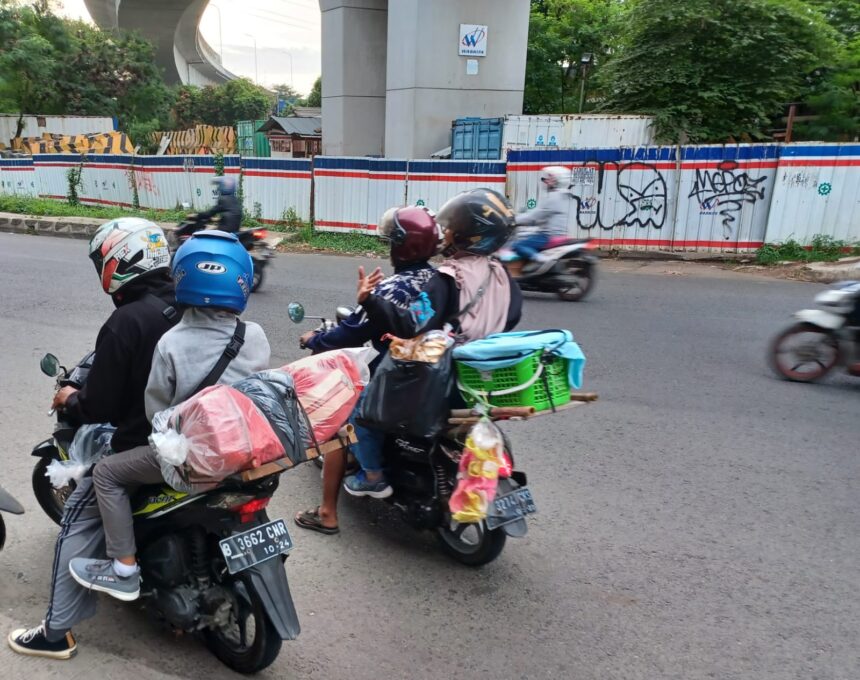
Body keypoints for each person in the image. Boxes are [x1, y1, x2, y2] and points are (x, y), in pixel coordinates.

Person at [65, 231, 270, 602]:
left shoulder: (172, 342)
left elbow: (156, 412)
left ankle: (124, 568)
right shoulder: (253, 334)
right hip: (244, 443)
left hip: (192, 455)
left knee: (108, 474)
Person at [8, 217, 179, 660]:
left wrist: (69, 399)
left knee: (77, 522)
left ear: (121, 263)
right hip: (197, 437)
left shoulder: (127, 320)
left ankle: (55, 632)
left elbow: (98, 405)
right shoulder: (189, 304)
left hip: (143, 445)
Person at [345, 188, 522, 489]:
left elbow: (409, 323)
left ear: (469, 235)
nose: (446, 231)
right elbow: (511, 318)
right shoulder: (504, 277)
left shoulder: (448, 278)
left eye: (453, 226)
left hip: (443, 378)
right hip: (482, 376)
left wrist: (369, 300)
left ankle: (372, 476)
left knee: (360, 410)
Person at [294, 206, 440, 534]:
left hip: (398, 376)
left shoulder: (393, 288)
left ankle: (330, 511)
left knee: (338, 426)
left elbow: (351, 332)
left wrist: (315, 337)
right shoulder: (439, 280)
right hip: (436, 375)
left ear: (403, 246)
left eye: (392, 242)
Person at [505, 165, 572, 277]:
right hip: (556, 233)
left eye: (550, 178)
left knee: (518, 245)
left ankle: (541, 260)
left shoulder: (553, 197)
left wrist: (513, 219)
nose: (546, 180)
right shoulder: (562, 196)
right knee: (526, 237)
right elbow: (542, 216)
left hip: (548, 235)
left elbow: (534, 216)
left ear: (558, 180)